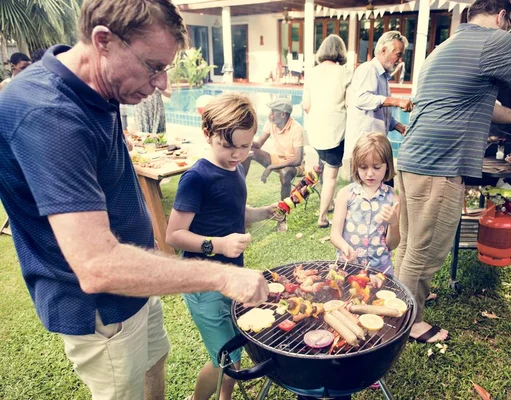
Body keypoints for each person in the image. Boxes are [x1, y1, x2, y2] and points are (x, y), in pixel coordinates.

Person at [0, 1, 268, 399]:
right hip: (101, 308)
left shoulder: (98, 88)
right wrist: (223, 274)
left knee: (152, 363)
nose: (162, 84)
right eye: (154, 66)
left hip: (137, 283)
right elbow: (97, 266)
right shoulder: (49, 114)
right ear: (103, 41)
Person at [394, 0, 511, 344]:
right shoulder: (493, 40)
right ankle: (409, 322)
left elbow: (473, 101)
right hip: (439, 163)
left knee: (410, 245)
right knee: (425, 251)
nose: (510, 32)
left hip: (412, 158)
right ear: (502, 17)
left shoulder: (445, 48)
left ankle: (400, 303)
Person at [166, 93, 281, 400]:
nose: (237, 154)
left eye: (245, 146)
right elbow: (174, 235)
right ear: (208, 133)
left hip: (231, 280)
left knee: (234, 351)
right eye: (229, 146)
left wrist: (265, 211)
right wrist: (218, 244)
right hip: (203, 285)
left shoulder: (236, 170)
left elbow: (234, 213)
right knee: (224, 359)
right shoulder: (196, 178)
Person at [330, 132, 400, 272]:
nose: (369, 173)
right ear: (355, 166)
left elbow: (392, 244)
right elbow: (335, 234)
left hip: (380, 268)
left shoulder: (393, 199)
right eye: (363, 167)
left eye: (376, 167)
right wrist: (344, 247)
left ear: (387, 165)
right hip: (349, 266)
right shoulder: (346, 194)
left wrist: (393, 223)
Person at [303, 34, 352, 228]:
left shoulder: (312, 73)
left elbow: (306, 105)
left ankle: (329, 203)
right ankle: (322, 218)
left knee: (323, 168)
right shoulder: (346, 72)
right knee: (331, 176)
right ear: (341, 51)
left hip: (315, 132)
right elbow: (349, 103)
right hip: (335, 132)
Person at [344, 31, 413, 163]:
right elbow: (361, 99)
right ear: (383, 50)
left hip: (375, 147)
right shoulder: (368, 69)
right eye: (398, 55)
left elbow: (380, 112)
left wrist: (398, 126)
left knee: (386, 182)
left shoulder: (383, 76)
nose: (400, 61)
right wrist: (397, 101)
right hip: (364, 148)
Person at [242, 97, 304, 232]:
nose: (270, 115)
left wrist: (271, 167)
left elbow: (298, 160)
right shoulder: (271, 123)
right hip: (277, 159)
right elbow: (258, 145)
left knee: (285, 173)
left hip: (293, 165)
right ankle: (241, 201)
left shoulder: (297, 129)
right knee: (250, 153)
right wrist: (243, 140)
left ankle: (282, 219)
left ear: (283, 114)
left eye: (273, 112)